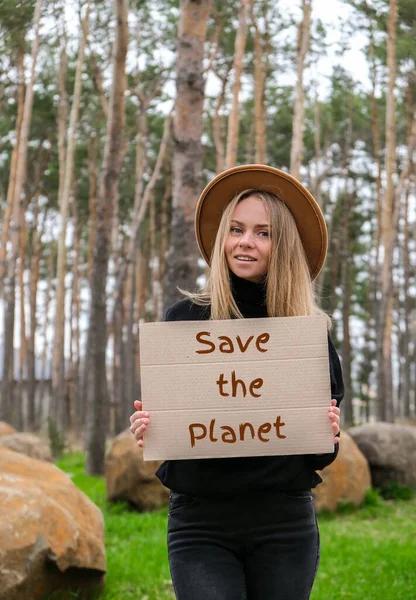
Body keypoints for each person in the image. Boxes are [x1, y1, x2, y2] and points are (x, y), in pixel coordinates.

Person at [129, 164, 343, 600]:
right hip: (200, 522)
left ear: (281, 246)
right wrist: (153, 428)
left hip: (284, 522)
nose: (246, 242)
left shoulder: (306, 333)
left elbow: (321, 451)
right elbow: (175, 426)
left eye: (263, 233)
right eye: (237, 229)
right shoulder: (184, 321)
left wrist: (329, 431)